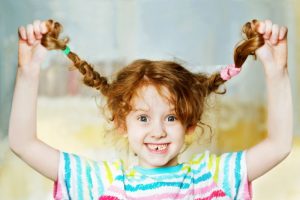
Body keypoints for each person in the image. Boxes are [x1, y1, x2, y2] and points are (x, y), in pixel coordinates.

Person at [8, 18, 293, 200]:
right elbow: (23, 144)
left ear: (189, 125)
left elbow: (279, 146)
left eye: (171, 117)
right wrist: (28, 71)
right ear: (123, 123)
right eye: (143, 118)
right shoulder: (103, 183)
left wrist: (276, 71)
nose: (157, 131)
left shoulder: (211, 177)